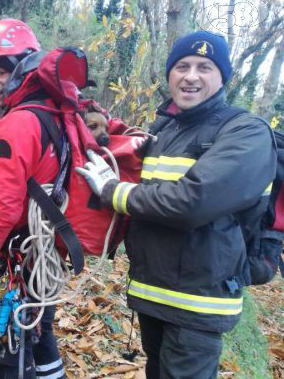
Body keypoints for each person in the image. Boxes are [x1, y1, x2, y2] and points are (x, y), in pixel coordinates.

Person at [75, 31, 276, 379]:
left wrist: (113, 191)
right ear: (170, 74)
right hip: (153, 293)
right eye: (182, 66)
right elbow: (130, 150)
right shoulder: (166, 130)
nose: (190, 76)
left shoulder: (246, 131)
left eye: (204, 67)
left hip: (198, 305)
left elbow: (192, 202)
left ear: (222, 76)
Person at [0, 18, 66, 379]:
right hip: (44, 251)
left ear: (24, 68)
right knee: (41, 332)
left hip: (18, 256)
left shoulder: (18, 123)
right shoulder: (53, 111)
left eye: (1, 72)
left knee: (12, 343)